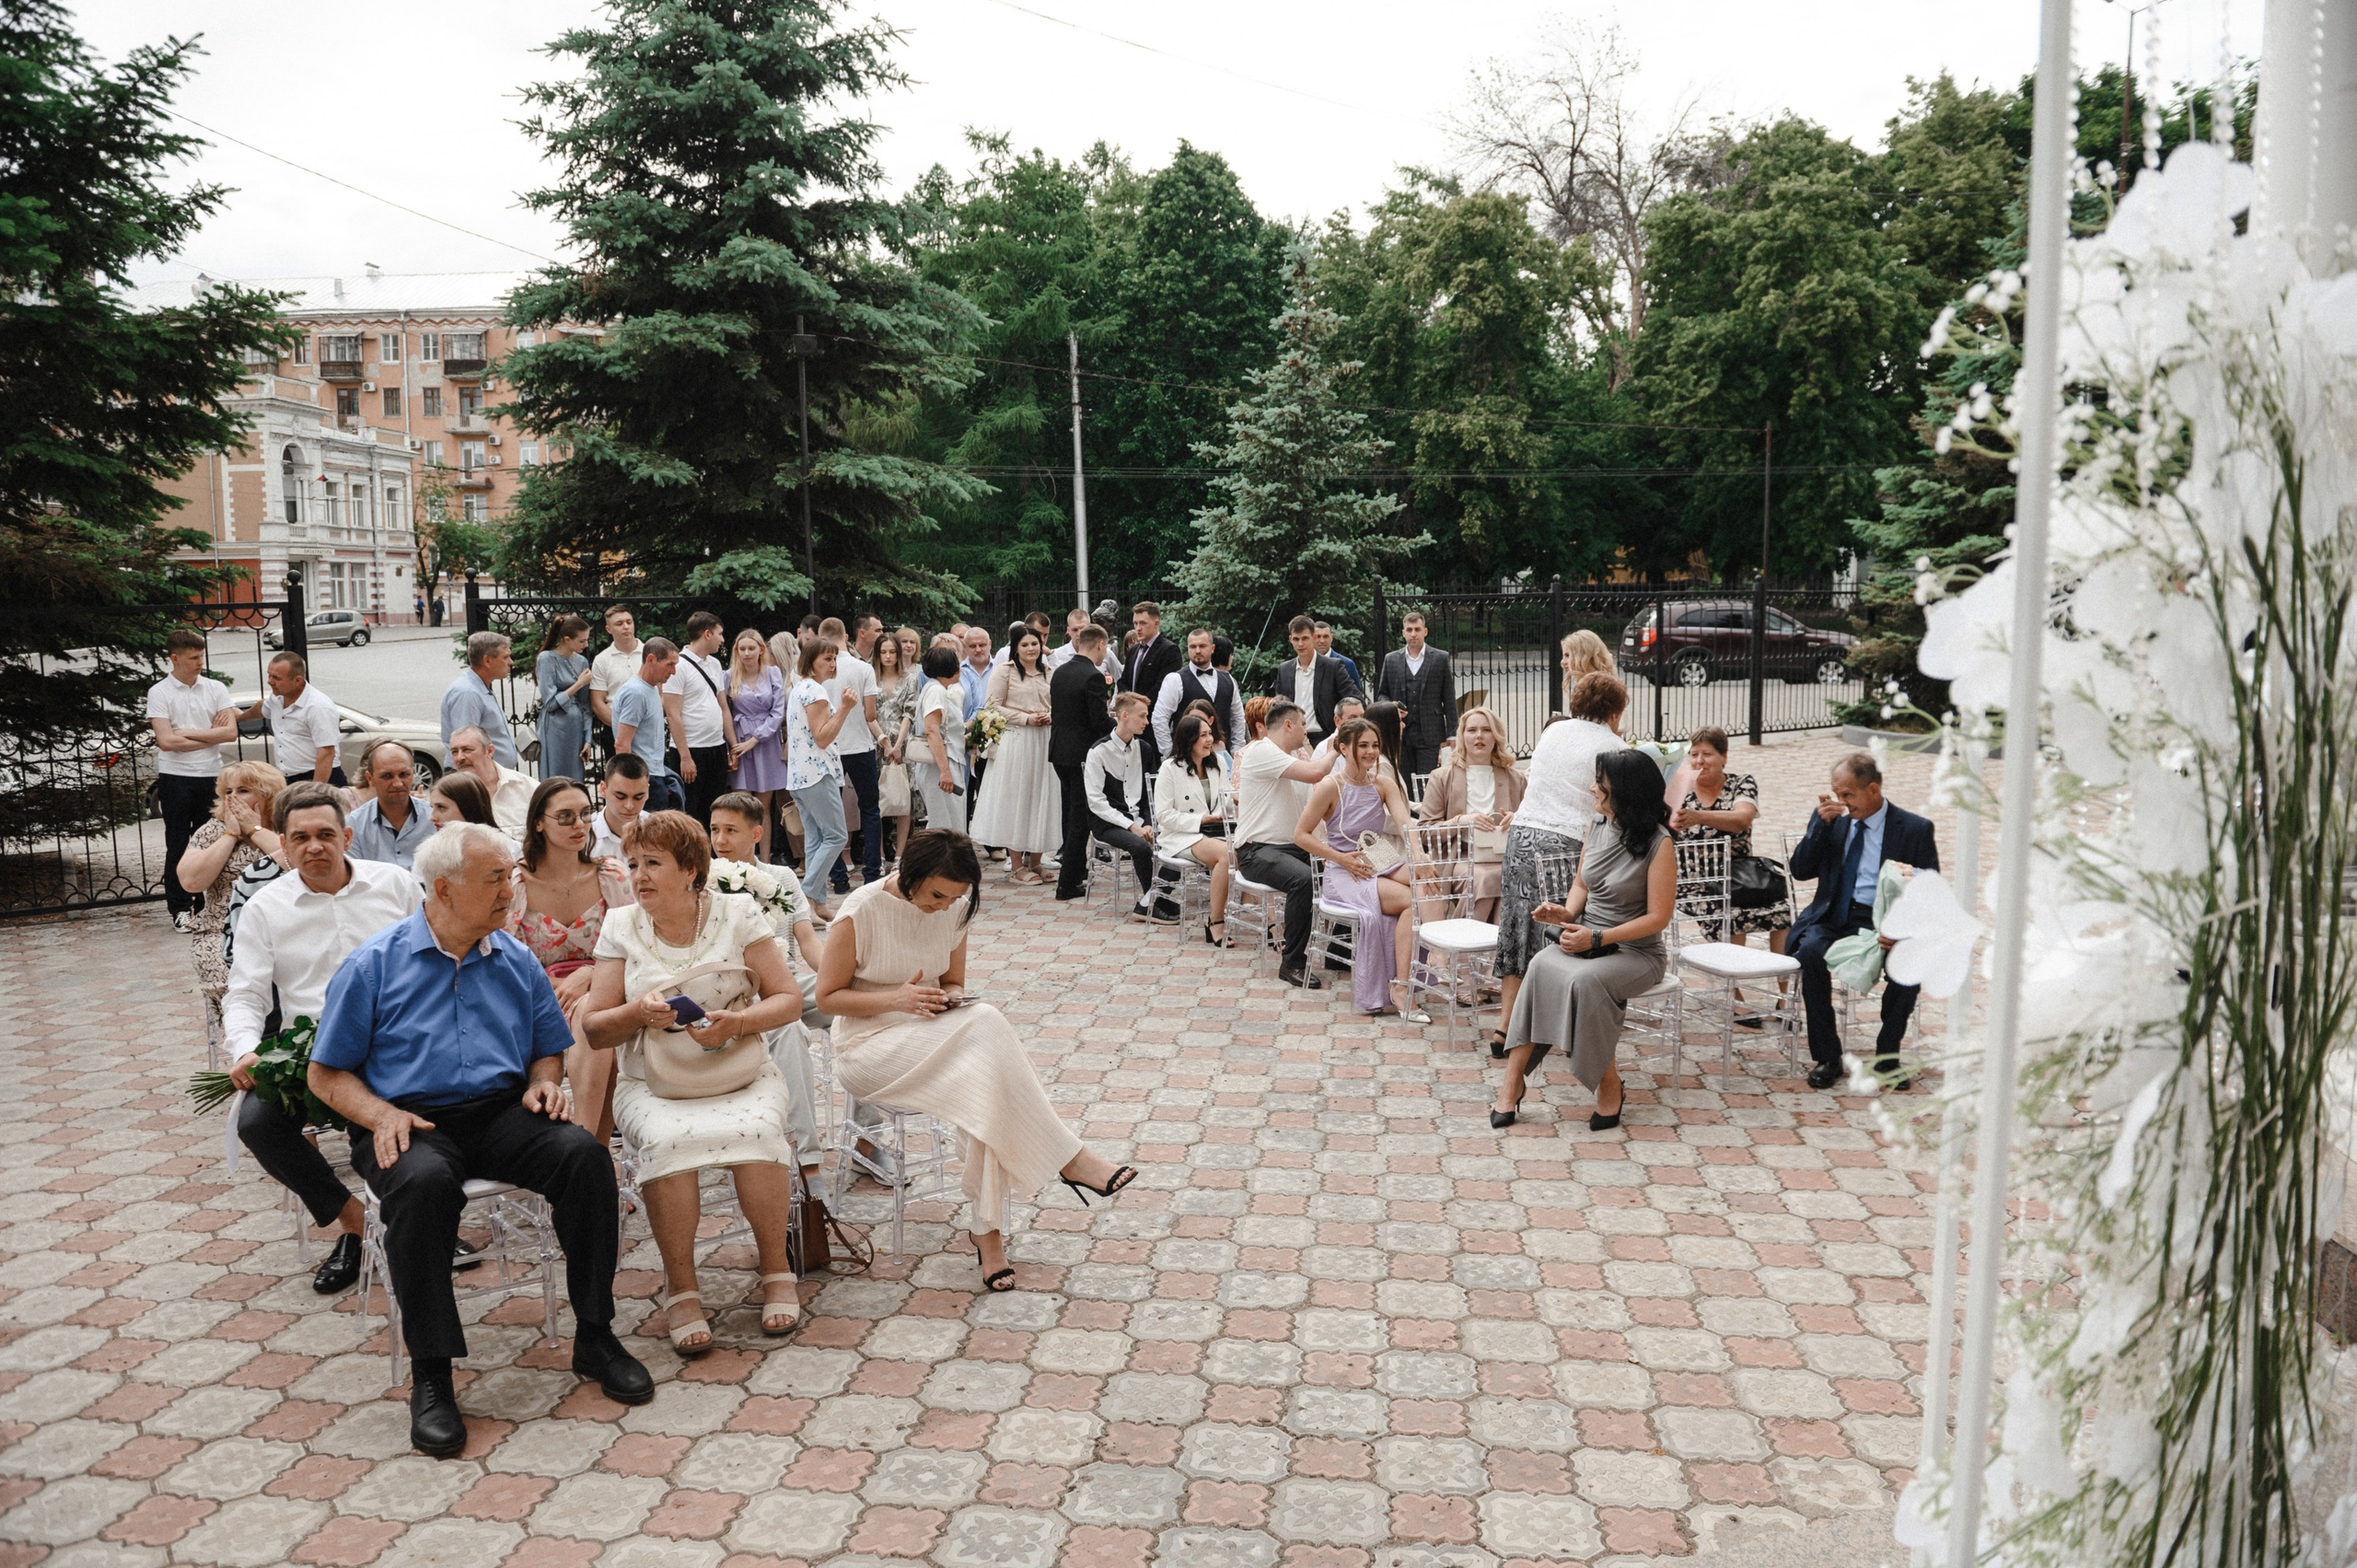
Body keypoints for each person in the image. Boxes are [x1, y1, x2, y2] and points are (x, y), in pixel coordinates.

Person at [308, 823, 653, 1454]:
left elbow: (548, 1048)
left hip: (499, 1110)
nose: (509, 888)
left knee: (583, 1157)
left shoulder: (514, 956)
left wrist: (545, 1083)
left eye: (509, 875)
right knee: (423, 1184)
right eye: (494, 878)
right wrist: (380, 1113)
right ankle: (433, 1373)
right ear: (442, 889)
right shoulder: (374, 965)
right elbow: (325, 1073)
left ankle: (595, 1333)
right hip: (407, 1118)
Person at [816, 830, 1137, 1291]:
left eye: (957, 897)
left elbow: (954, 982)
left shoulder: (957, 909)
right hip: (867, 1049)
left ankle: (989, 1237)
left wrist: (949, 1000)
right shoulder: (860, 911)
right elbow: (827, 999)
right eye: (937, 894)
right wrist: (898, 999)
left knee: (982, 1081)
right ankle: (1069, 1159)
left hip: (928, 1034)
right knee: (985, 1030)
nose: (945, 906)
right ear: (910, 875)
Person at [580, 811, 807, 1352]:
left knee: (758, 1133)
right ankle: (681, 1286)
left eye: (653, 864)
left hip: (741, 1071)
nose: (638, 876)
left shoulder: (736, 911)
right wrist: (638, 1012)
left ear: (690, 870)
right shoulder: (619, 925)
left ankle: (777, 1267)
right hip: (654, 1081)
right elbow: (593, 1030)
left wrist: (741, 1022)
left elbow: (789, 998)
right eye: (633, 864)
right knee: (668, 1142)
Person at [223, 783, 424, 1295]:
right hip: (312, 1054)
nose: (315, 846)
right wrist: (245, 1048)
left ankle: (417, 1225)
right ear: (285, 846)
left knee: (392, 1122)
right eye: (302, 837)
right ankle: (357, 1225)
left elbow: (432, 959)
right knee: (259, 1122)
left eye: (326, 834)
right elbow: (245, 993)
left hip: (395, 1044)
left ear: (347, 837)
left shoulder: (396, 886)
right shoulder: (266, 907)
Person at [1495, 749, 1678, 1131]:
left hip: (1636, 951)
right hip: (1588, 935)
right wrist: (1565, 914)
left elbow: (1658, 918)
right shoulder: (1597, 825)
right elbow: (1581, 883)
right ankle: (1512, 1080)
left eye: (1601, 783)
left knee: (1584, 982)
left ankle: (1608, 1085)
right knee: (1542, 964)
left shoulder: (1661, 845)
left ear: (1624, 793)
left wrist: (1598, 937)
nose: (1593, 788)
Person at [1494, 673, 1631, 1053]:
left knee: (1517, 927)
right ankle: (1552, 1028)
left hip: (1523, 836)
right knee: (1561, 932)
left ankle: (1506, 1027)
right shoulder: (1614, 746)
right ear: (1615, 711)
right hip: (1570, 843)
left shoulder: (1553, 732)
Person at [1786, 752, 1938, 1091]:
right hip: (1836, 916)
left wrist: (1900, 930)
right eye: (1836, 794)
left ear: (1872, 789)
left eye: (1847, 795)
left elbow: (1930, 887)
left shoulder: (1914, 828)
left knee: (1909, 962)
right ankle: (1828, 1057)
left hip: (1885, 920)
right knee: (1809, 953)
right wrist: (1817, 828)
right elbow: (1800, 870)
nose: (1841, 802)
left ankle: (1887, 1056)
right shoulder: (1834, 822)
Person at [506, 777, 633, 1141]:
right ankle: (593, 1155)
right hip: (536, 997)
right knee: (599, 1039)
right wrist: (561, 985)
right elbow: (503, 958)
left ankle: (584, 1145)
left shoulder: (610, 875)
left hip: (608, 992)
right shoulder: (517, 884)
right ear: (538, 822)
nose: (579, 825)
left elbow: (635, 946)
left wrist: (591, 974)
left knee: (590, 1012)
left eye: (584, 814)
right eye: (565, 817)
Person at [1294, 717, 1416, 1013]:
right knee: (1412, 901)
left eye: (1375, 745)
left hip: (1380, 854)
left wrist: (1420, 855)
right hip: (1345, 867)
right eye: (1363, 745)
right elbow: (1299, 835)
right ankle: (1401, 984)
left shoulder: (1383, 783)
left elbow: (1405, 823)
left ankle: (1427, 966)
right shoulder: (1329, 786)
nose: (1371, 751)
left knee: (1427, 883)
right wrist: (1339, 858)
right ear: (1344, 748)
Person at [1235, 702, 1342, 987]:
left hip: (1290, 848)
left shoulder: (1294, 757)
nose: (1306, 732)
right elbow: (1316, 774)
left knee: (1343, 867)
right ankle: (1292, 963)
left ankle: (1337, 950)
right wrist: (1334, 747)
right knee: (1303, 880)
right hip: (1255, 851)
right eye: (1303, 725)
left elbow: (1314, 803)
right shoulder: (1262, 750)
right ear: (1288, 725)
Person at [178, 761, 287, 1033]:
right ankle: (248, 1043)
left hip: (283, 927)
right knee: (240, 981)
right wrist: (230, 835)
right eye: (228, 791)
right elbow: (191, 881)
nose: (232, 798)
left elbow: (297, 861)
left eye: (243, 790)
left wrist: (255, 830)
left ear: (267, 794)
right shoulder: (213, 829)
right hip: (221, 930)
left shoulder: (286, 825)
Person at [147, 627, 239, 928]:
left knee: (210, 842)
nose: (200, 662)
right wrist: (209, 736)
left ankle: (208, 905)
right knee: (178, 844)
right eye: (193, 657)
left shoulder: (215, 689)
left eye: (201, 655)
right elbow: (165, 742)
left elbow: (229, 733)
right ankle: (181, 908)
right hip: (175, 778)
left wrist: (186, 732)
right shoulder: (159, 693)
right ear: (175, 659)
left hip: (210, 776)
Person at [1673, 726, 1793, 957]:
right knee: (1731, 913)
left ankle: (1784, 991)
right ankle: (1734, 989)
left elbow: (1742, 819)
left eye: (1707, 754)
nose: (1700, 761)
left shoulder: (1741, 783)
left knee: (1783, 912)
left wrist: (1698, 816)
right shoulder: (1679, 789)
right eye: (1694, 755)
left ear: (1724, 757)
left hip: (1739, 876)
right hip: (1694, 882)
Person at [1418, 704, 1526, 920]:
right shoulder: (1442, 777)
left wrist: (1519, 819)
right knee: (1486, 878)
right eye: (1472, 730)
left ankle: (1489, 951)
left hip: (1503, 858)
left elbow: (1534, 827)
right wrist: (1461, 821)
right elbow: (1425, 832)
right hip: (1459, 858)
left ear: (1496, 736)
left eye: (1486, 730)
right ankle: (1467, 946)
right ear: (1462, 736)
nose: (1479, 736)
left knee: (1510, 878)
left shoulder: (1516, 779)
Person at [972, 621, 1059, 883]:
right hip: (1016, 740)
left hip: (1043, 740)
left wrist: (1049, 716)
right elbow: (992, 707)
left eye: (1035, 644)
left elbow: (1058, 704)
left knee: (1041, 797)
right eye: (1025, 645)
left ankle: (1037, 862)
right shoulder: (1005, 672)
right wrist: (1025, 718)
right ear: (1016, 648)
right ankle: (1017, 865)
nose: (1031, 648)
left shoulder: (1049, 672)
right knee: (1017, 798)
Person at [786, 638, 860, 918]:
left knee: (817, 839)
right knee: (837, 835)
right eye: (826, 659)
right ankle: (805, 897)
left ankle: (817, 903)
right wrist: (844, 708)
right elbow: (823, 737)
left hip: (801, 775)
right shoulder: (814, 690)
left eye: (834, 659)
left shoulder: (800, 688)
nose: (832, 664)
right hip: (817, 773)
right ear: (811, 661)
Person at [1155, 710, 1236, 944]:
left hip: (1215, 830)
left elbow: (1226, 798)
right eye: (1203, 735)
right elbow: (1163, 815)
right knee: (1226, 855)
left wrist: (1223, 813)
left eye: (1210, 734)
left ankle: (1269, 923)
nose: (1210, 739)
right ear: (1189, 739)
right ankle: (1216, 921)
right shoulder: (1170, 768)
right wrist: (1201, 820)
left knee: (1249, 847)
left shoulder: (1217, 762)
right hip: (1180, 835)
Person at [1050, 624, 1116, 901]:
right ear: (1100, 645)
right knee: (1080, 819)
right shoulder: (1093, 676)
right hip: (1080, 756)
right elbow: (1098, 721)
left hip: (1059, 753)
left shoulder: (1060, 672)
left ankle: (1076, 872)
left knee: (1072, 814)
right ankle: (1067, 884)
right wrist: (1119, 729)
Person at [826, 616, 885, 890]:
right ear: (846, 637)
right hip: (860, 745)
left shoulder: (816, 669)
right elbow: (871, 712)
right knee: (870, 809)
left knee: (832, 813)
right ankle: (872, 873)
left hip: (829, 747)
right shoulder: (862, 668)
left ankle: (838, 877)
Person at [665, 611, 737, 827]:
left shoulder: (715, 664)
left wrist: (732, 746)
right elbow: (673, 714)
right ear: (707, 634)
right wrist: (685, 757)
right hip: (691, 749)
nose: (722, 639)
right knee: (691, 810)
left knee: (714, 808)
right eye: (719, 634)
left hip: (716, 747)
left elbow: (723, 707)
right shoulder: (679, 666)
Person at [724, 630, 789, 861]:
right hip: (740, 741)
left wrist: (755, 739)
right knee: (741, 806)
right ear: (736, 651)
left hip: (766, 741)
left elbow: (778, 711)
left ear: (761, 649)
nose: (747, 653)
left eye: (751, 648)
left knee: (763, 806)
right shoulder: (729, 676)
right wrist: (733, 745)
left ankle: (765, 859)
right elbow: (726, 713)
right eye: (742, 649)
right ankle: (740, 860)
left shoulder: (773, 673)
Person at [235, 652, 342, 784]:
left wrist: (315, 791)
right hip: (288, 779)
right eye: (269, 675)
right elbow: (263, 708)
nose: (269, 681)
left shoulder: (318, 707)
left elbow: (326, 753)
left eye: (276, 678)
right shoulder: (277, 698)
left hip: (318, 778)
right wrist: (239, 717)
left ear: (297, 680)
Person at [1151, 628, 1248, 769]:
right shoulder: (1175, 680)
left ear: (1212, 648)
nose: (1197, 650)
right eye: (1193, 646)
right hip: (1187, 761)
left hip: (1222, 759)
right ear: (1187, 648)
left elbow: (1238, 718)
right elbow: (1159, 718)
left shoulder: (1228, 679)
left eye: (1202, 646)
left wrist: (1236, 750)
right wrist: (1170, 753)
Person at [1376, 610, 1457, 778]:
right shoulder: (1391, 659)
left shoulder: (1439, 658)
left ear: (1425, 631)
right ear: (1403, 633)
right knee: (1403, 779)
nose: (1413, 634)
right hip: (1400, 733)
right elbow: (1382, 694)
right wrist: (1391, 707)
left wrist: (1453, 733)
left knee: (1427, 780)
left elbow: (1449, 698)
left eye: (1417, 629)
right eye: (1410, 630)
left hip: (1430, 732)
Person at [614, 638, 683, 814]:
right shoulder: (636, 692)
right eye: (670, 665)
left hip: (653, 774)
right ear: (651, 659)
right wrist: (634, 785)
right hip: (644, 779)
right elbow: (622, 744)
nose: (673, 672)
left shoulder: (650, 688)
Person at [872, 629, 920, 866]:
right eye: (883, 652)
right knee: (878, 799)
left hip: (902, 742)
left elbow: (909, 714)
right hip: (875, 742)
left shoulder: (910, 679)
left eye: (892, 652)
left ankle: (901, 854)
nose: (888, 656)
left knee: (903, 799)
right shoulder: (870, 677)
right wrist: (884, 741)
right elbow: (867, 714)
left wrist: (898, 744)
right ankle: (879, 855)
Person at [1271, 615, 1360, 742]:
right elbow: (1279, 707)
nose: (1300, 644)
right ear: (1290, 639)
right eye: (1296, 639)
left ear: (1314, 638)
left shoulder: (1333, 666)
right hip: (1292, 739)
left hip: (1324, 737)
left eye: (1305, 638)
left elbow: (1355, 699)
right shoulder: (1284, 669)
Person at [440, 632, 520, 769]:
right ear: (487, 660)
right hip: (475, 779)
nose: (511, 662)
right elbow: (465, 747)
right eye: (506, 657)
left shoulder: (480, 687)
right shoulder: (467, 693)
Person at [347, 741, 432, 870]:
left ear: (413, 773)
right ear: (370, 778)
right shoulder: (355, 824)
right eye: (387, 776)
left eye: (404, 774)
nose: (398, 783)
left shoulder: (434, 818)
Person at [1121, 601, 1183, 772]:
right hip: (1131, 724)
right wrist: (1125, 703)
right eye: (1135, 623)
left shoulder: (1169, 650)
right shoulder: (1134, 651)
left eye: (1143, 623)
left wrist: (1137, 708)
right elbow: (1124, 680)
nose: (1138, 628)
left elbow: (1162, 687)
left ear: (1156, 623)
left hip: (1152, 725)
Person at [914, 643, 968, 836]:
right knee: (944, 825)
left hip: (945, 762)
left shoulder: (934, 688)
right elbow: (931, 730)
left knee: (950, 821)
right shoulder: (936, 691)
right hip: (939, 766)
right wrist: (945, 772)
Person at [536, 615, 595, 783]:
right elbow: (551, 703)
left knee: (575, 779)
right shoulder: (547, 658)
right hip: (555, 727)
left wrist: (588, 739)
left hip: (576, 727)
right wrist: (579, 683)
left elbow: (586, 705)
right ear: (567, 639)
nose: (586, 645)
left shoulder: (582, 661)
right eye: (582, 641)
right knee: (555, 778)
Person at [447, 726, 533, 834]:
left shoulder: (528, 789)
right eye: (454, 752)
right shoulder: (447, 796)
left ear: (489, 751)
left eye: (467, 750)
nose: (460, 757)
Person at [587, 606, 644, 735]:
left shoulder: (649, 654)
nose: (626, 626)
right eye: (619, 623)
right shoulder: (602, 660)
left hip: (648, 729)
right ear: (609, 629)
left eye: (629, 622)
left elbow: (661, 694)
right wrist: (623, 727)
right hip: (615, 729)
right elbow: (597, 702)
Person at [589, 752, 653, 861]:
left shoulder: (660, 832)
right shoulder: (585, 835)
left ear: (647, 792)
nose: (629, 806)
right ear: (603, 790)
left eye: (638, 797)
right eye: (620, 797)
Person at [1048, 606, 1122, 682]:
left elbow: (1121, 678)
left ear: (1090, 628)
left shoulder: (1104, 652)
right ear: (1069, 630)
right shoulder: (1057, 655)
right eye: (1075, 630)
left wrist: (1115, 694)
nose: (1079, 633)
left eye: (1083, 629)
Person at [1310, 694, 1369, 767]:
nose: (1360, 722)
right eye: (1353, 718)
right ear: (1337, 721)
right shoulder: (1323, 749)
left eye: (1363, 716)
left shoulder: (1372, 743)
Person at [429, 771, 496, 829]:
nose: (432, 818)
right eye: (432, 807)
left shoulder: (495, 842)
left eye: (441, 807)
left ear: (470, 809)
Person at [1314, 622, 1362, 694]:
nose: (1322, 641)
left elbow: (1356, 695)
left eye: (1326, 636)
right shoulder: (1305, 663)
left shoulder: (1347, 664)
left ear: (1332, 638)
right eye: (1318, 636)